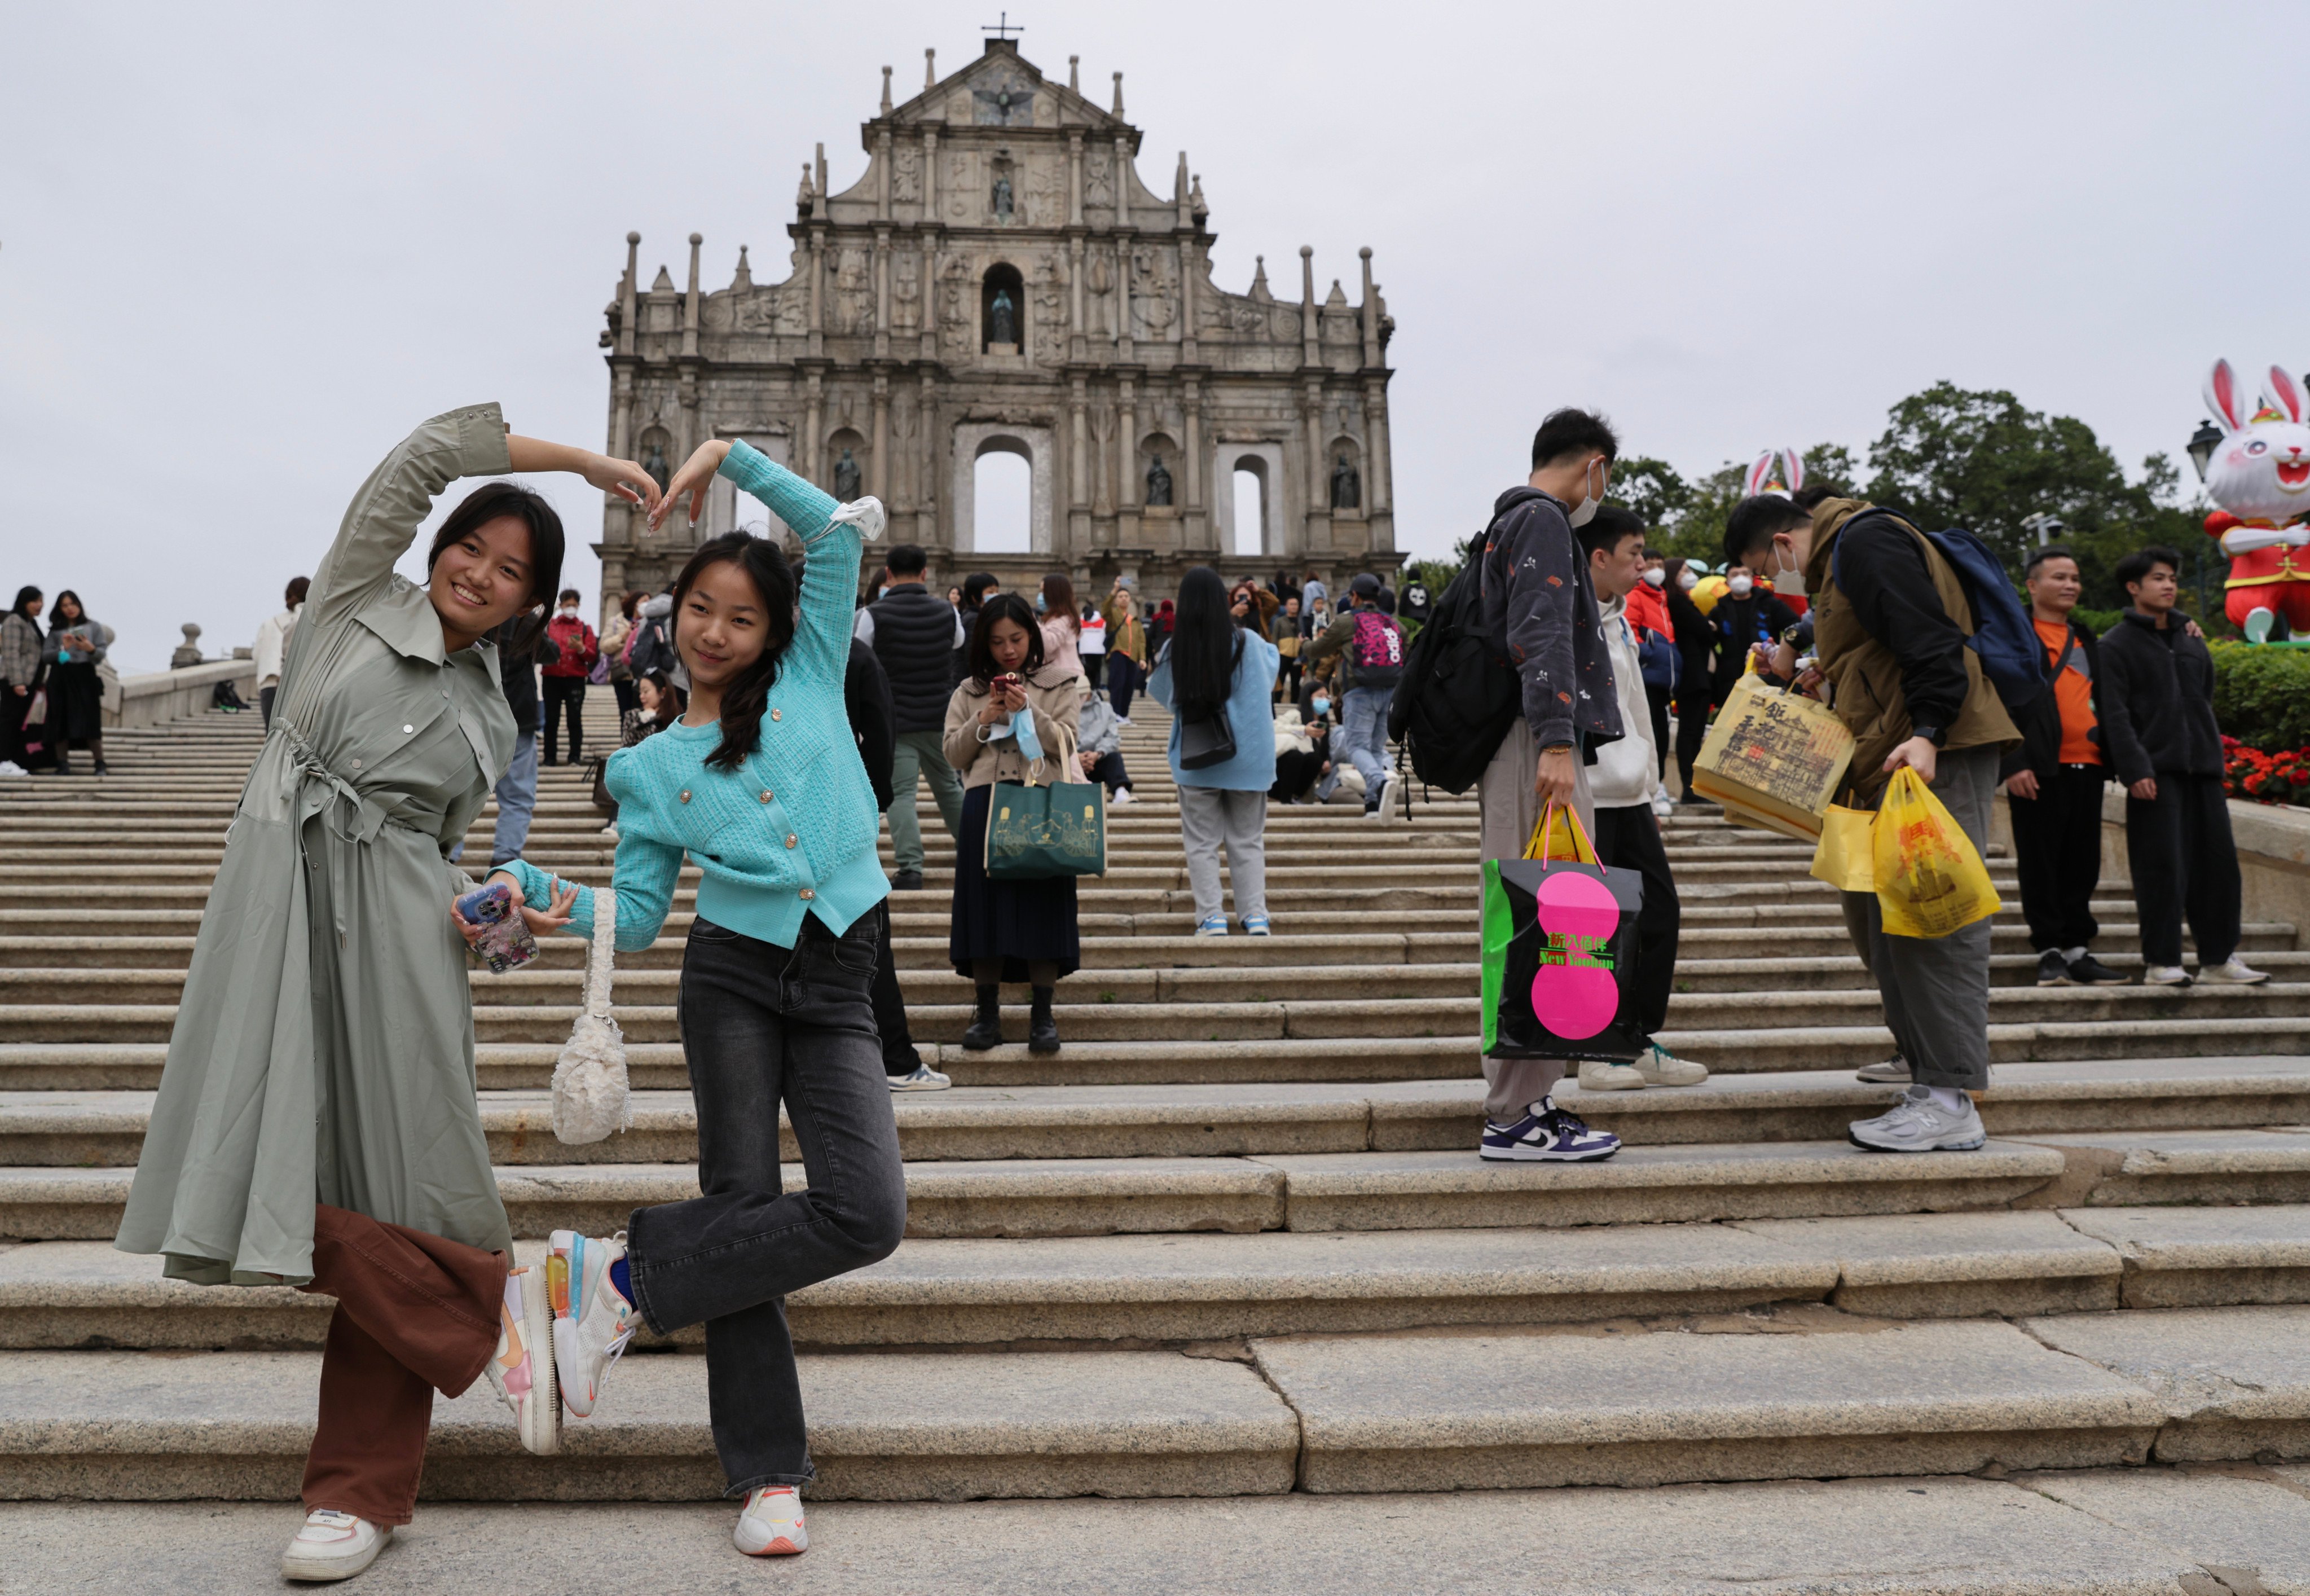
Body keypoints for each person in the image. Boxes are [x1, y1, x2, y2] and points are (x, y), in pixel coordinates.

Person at [116, 405, 658, 1582]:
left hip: (405, 947)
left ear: (531, 605)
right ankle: (511, 1313)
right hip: (281, 902)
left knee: (400, 1190)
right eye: (474, 546)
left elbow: (446, 859)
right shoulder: (354, 598)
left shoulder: (495, 709)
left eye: (515, 571)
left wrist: (497, 919)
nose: (483, 572)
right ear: (436, 545)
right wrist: (582, 463)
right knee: (257, 1157)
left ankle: (359, 1488)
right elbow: (418, 457)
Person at [497, 437, 908, 1559]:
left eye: (738, 613)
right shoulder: (647, 766)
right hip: (727, 978)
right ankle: (766, 1473)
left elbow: (832, 532)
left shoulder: (819, 662)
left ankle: (615, 1274)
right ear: (670, 615)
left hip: (838, 975)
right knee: (742, 1198)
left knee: (865, 1212)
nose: (715, 629)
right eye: (698, 608)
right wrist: (541, 892)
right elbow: (633, 910)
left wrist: (732, 458)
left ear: (773, 627)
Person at [1773, 492, 2021, 1151]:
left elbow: (1929, 637)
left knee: (1933, 917)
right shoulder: (1841, 561)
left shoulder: (1864, 542)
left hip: (1927, 754)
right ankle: (1928, 1077)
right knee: (1885, 921)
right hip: (1888, 757)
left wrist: (1932, 730)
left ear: (1779, 543)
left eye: (1763, 564)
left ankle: (1951, 1096)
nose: (1775, 580)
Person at [1473, 408, 1627, 1163]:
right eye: (1608, 476)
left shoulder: (1510, 519)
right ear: (1591, 465)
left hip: (1530, 737)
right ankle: (1512, 1113)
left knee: (1547, 914)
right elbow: (1540, 632)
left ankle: (1527, 1100)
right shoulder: (1539, 522)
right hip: (1536, 740)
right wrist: (1559, 741)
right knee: (1538, 915)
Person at [1570, 508, 1707, 1092]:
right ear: (1599, 558)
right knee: (1593, 928)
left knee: (1659, 914)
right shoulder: (1569, 621)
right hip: (1588, 795)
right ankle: (1595, 1049)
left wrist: (1651, 783)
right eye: (1634, 554)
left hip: (1630, 793)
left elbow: (1636, 713)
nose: (1645, 565)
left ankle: (1636, 1034)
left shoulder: (1620, 619)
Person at [2098, 546, 2268, 988]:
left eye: (2172, 577)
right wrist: (2135, 769)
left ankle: (2217, 958)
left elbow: (2203, 697)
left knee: (2218, 867)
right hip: (2155, 775)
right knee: (2161, 868)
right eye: (2158, 578)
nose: (2169, 584)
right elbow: (2114, 714)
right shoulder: (2114, 644)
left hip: (2204, 771)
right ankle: (2161, 961)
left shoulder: (2191, 637)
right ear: (2133, 588)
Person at [944, 593, 1084, 1052]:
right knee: (985, 909)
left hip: (1040, 802)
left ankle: (1042, 1016)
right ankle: (987, 1015)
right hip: (984, 804)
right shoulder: (968, 690)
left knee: (1042, 904)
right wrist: (984, 718)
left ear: (1033, 636)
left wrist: (1028, 710)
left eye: (1017, 639)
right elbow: (952, 754)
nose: (1008, 650)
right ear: (983, 643)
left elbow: (1065, 741)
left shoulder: (1060, 682)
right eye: (998, 641)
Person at [2002, 546, 2123, 987]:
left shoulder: (2087, 638)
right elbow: (1999, 700)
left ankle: (2077, 948)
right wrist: (2013, 762)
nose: (2070, 584)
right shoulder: (2014, 636)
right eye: (2058, 577)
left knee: (2082, 862)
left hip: (2087, 766)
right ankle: (2049, 949)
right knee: (2040, 862)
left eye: (2074, 577)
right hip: (2038, 770)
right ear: (2032, 586)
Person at [1149, 566, 1280, 937]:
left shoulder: (1177, 648)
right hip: (1249, 757)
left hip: (1198, 756)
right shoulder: (1251, 642)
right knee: (1247, 839)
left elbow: (1165, 697)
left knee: (1202, 842)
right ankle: (1255, 915)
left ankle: (1212, 917)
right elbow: (1270, 676)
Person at [858, 543, 968, 892]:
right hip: (940, 716)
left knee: (902, 794)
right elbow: (956, 645)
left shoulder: (873, 614)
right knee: (949, 788)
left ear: (888, 574)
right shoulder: (948, 612)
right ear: (925, 573)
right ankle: (975, 849)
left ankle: (911, 868)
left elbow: (860, 656)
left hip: (897, 720)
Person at [1303, 571, 1405, 822]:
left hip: (1359, 693)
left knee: (1357, 746)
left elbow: (1318, 650)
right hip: (1390, 691)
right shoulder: (1393, 623)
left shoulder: (1347, 621)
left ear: (1355, 597)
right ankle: (1372, 804)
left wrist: (1304, 644)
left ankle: (1379, 783)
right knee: (1374, 748)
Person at [37, 591, 115, 776]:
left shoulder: (93, 627)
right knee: (59, 718)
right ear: (60, 609)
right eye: (65, 605)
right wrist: (64, 648)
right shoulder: (56, 631)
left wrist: (91, 649)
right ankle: (63, 763)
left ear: (79, 605)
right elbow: (47, 657)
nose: (69, 608)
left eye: (72, 604)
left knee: (91, 719)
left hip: (85, 675)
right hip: (61, 676)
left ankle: (100, 762)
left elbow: (100, 655)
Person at [1662, 559, 1714, 800]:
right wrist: (1709, 626)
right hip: (1690, 676)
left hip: (1699, 675)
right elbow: (1704, 630)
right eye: (1684, 571)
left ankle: (1695, 787)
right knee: (1689, 732)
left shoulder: (1685, 601)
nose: (1689, 574)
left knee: (1695, 733)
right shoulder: (1676, 601)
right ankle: (1689, 788)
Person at [540, 587, 597, 767]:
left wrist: (581, 648)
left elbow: (592, 655)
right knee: (551, 719)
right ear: (561, 605)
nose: (571, 608)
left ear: (578, 606)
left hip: (575, 679)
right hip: (552, 678)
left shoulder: (585, 628)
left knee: (574, 718)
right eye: (567, 605)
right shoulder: (549, 626)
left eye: (574, 605)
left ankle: (575, 756)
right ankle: (550, 757)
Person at [252, 576, 310, 729]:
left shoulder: (270, 623)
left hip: (270, 684)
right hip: (301, 686)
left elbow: (256, 656)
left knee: (272, 737)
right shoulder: (312, 620)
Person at [2, 587, 45, 771]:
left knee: (18, 722)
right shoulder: (14, 621)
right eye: (34, 601)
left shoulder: (31, 624)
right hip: (15, 681)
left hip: (29, 682)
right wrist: (17, 682)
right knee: (8, 720)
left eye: (41, 601)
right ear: (23, 602)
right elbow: (10, 653)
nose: (39, 605)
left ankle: (11, 760)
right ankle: (3, 760)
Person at [1075, 676, 1134, 802]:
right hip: (1072, 763)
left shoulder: (1105, 709)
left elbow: (1113, 737)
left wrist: (1097, 754)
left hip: (1097, 760)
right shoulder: (1065, 708)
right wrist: (1076, 757)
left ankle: (1120, 791)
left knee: (1114, 757)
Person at [1105, 587, 1150, 723]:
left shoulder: (1136, 621)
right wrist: (1114, 591)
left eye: (1126, 596)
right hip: (1118, 653)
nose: (1124, 598)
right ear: (1116, 600)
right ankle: (1115, 714)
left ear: (1130, 599)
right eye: (1121, 596)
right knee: (1118, 684)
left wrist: (1142, 658)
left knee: (1129, 686)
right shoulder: (1113, 615)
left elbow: (1142, 641)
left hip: (1132, 657)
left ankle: (1124, 715)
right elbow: (1105, 610)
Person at [600, 591, 641, 721]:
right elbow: (604, 646)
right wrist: (623, 637)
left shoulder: (650, 623)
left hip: (643, 674)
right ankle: (627, 741)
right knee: (625, 713)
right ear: (634, 603)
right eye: (644, 601)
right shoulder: (615, 622)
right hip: (622, 674)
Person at [954, 570, 1000, 684]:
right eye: (990, 592)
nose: (995, 595)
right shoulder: (974, 620)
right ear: (975, 597)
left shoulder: (978, 616)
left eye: (997, 592)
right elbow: (973, 654)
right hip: (970, 680)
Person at [1040, 571, 1085, 679]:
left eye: (1043, 592)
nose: (1041, 596)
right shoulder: (1065, 618)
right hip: (1065, 675)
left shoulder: (1063, 620)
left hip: (1064, 677)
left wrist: (1034, 623)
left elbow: (1049, 644)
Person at [1274, 594, 1306, 701]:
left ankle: (1294, 704)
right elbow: (1275, 638)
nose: (1294, 606)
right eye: (1291, 604)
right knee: (1280, 680)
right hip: (1283, 655)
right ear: (1286, 606)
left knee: (1296, 683)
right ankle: (1276, 702)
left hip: (1297, 656)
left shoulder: (1301, 621)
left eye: (1296, 604)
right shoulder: (1280, 621)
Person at [1077, 599, 1107, 691]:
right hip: (1099, 650)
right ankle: (1097, 687)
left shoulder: (1080, 621)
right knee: (1098, 669)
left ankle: (1090, 686)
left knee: (1088, 669)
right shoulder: (1102, 621)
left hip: (1085, 649)